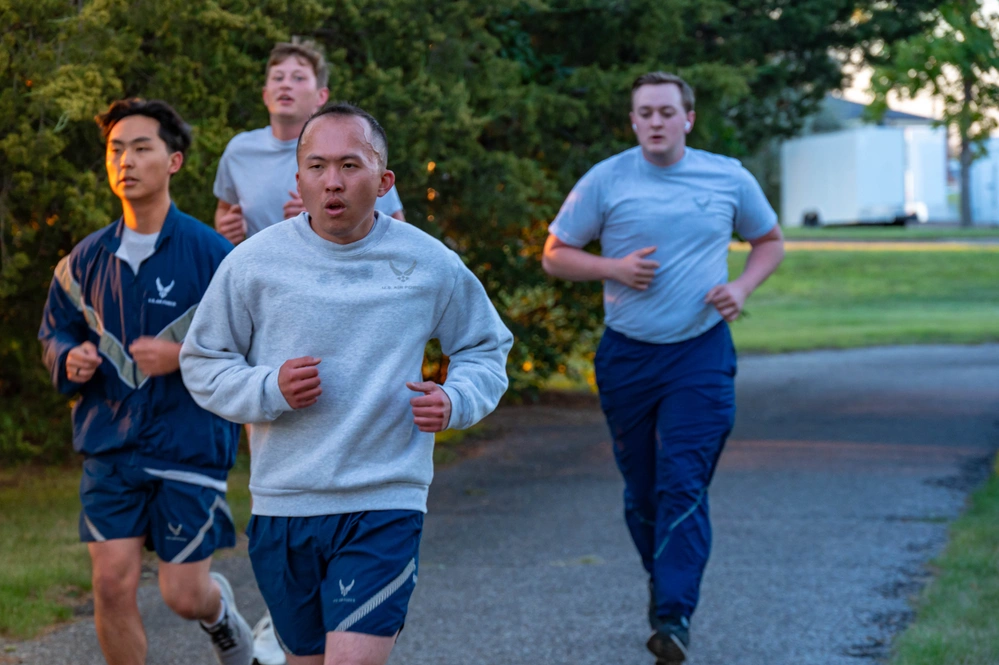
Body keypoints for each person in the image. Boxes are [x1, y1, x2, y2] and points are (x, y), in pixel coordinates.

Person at [179, 102, 512, 665]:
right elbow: (204, 361)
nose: (332, 181)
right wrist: (269, 389)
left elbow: (485, 347)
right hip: (283, 504)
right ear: (299, 178)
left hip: (384, 499)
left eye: (350, 166)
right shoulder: (252, 263)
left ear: (384, 181)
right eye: (317, 166)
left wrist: (455, 399)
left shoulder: (429, 263)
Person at [541, 72, 785, 664]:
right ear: (633, 121)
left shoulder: (727, 175)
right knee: (643, 490)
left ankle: (674, 616)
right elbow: (555, 255)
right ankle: (665, 585)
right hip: (627, 353)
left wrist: (743, 287)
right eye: (644, 112)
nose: (655, 121)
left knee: (683, 480)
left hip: (700, 351)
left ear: (688, 118)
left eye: (666, 112)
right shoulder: (607, 179)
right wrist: (614, 269)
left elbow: (770, 240)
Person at [38, 99, 253, 665]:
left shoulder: (215, 256)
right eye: (116, 150)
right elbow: (54, 333)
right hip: (109, 444)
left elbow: (251, 345)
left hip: (189, 443)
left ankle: (220, 617)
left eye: (141, 148)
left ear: (174, 161)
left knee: (183, 595)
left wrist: (181, 355)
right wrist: (69, 356)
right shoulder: (80, 261)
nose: (125, 160)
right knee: (111, 583)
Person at [213, 40, 405, 246]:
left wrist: (322, 218)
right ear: (265, 95)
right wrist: (225, 230)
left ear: (321, 95)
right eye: (278, 77)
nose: (286, 84)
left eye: (298, 78)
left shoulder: (350, 147)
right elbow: (225, 207)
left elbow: (397, 225)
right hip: (263, 272)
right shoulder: (240, 151)